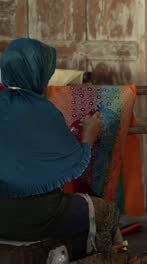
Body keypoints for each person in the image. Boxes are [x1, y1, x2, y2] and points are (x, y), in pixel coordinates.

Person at [0, 38, 121, 260]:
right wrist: (89, 137)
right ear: (36, 75)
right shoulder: (44, 113)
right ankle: (83, 254)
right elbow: (76, 163)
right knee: (106, 213)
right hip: (41, 216)